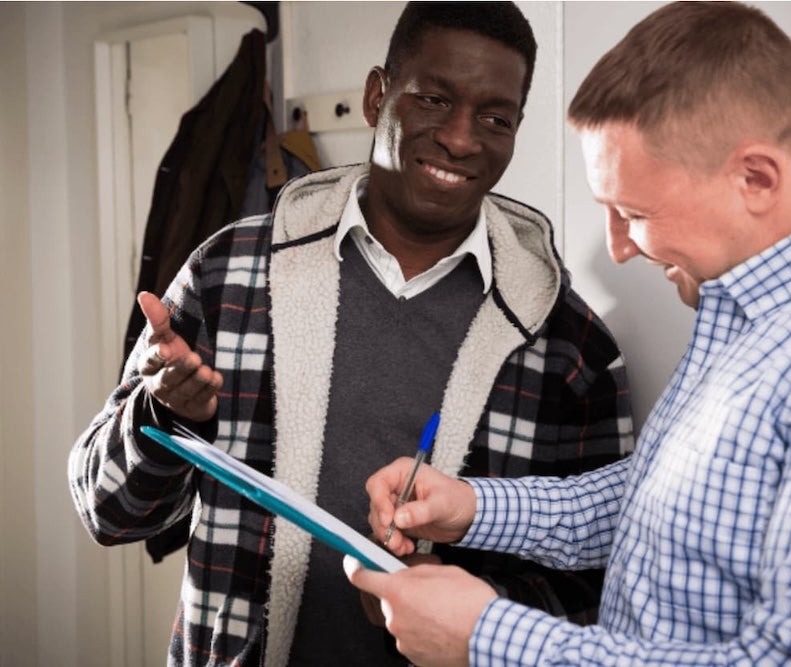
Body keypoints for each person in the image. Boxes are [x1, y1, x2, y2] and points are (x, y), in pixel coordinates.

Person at [347, 2, 791, 665]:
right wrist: (473, 506)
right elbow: (677, 503)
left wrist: (487, 638)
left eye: (633, 213)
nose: (619, 248)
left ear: (756, 179)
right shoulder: (757, 303)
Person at [68, 3, 634, 665]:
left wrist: (463, 604)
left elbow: (603, 596)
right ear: (376, 95)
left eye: (494, 118)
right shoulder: (231, 276)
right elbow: (107, 510)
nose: (460, 138)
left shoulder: (571, 349)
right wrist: (159, 413)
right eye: (432, 98)